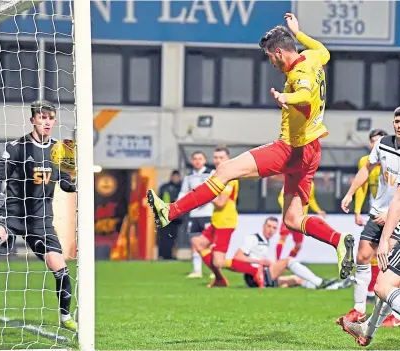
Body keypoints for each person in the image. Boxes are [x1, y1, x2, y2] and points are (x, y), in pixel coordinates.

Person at [147, 13, 355, 280]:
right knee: (292, 219)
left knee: (225, 170)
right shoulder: (313, 58)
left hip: (291, 149)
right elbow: (323, 50)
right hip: (312, 149)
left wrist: (285, 96)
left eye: (270, 56)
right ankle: (338, 240)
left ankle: (171, 211)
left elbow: (303, 93)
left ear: (279, 52)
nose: (270, 61)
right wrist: (298, 32)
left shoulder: (298, 73)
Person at [0, 100, 77, 332]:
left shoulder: (62, 150)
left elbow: (67, 183)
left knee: (60, 268)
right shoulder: (16, 146)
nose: (47, 122)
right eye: (42, 118)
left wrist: (73, 184)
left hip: (40, 221)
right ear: (33, 120)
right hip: (12, 214)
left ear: (55, 120)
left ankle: (65, 316)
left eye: (50, 118)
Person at [338, 126, 400, 345]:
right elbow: (367, 173)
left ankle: (380, 322)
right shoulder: (383, 147)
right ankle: (363, 321)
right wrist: (351, 197)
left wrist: (391, 220)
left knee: (384, 283)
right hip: (381, 214)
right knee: (369, 264)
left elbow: (398, 201)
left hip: (394, 220)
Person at [192, 146, 265, 288]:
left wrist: (204, 193)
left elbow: (221, 202)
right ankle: (219, 279)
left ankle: (254, 270)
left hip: (226, 222)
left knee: (218, 261)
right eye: (216, 158)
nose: (218, 160)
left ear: (228, 159)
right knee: (197, 243)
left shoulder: (230, 177)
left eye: (221, 158)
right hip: (217, 220)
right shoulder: (217, 175)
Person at [235, 216, 346, 289]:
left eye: (274, 228)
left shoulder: (268, 243)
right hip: (254, 276)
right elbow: (238, 257)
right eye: (269, 226)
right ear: (263, 226)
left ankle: (336, 287)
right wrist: (259, 261)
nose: (271, 230)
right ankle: (319, 282)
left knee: (297, 279)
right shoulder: (253, 238)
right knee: (288, 261)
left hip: (266, 276)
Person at [354, 129, 388, 305]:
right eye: (373, 141)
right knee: (369, 252)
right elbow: (362, 188)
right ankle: (371, 291)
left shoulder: (391, 158)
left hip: (392, 212)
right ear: (369, 144)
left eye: (380, 141)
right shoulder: (365, 162)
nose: (376, 144)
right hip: (375, 212)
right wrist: (357, 211)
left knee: (387, 253)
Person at [178, 151, 213, 278]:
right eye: (195, 159)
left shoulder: (210, 174)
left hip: (208, 212)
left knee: (209, 242)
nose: (198, 161)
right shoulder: (188, 177)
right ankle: (197, 270)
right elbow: (182, 193)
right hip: (194, 214)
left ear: (204, 160)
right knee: (194, 241)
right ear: (192, 161)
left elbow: (214, 191)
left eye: (200, 158)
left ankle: (213, 271)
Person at [276, 181, 326, 259]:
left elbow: (311, 199)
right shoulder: (291, 180)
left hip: (300, 219)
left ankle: (287, 262)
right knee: (282, 239)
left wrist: (318, 210)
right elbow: (281, 197)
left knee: (298, 245)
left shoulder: (311, 184)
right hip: (288, 217)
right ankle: (277, 261)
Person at [157, 170, 182, 259]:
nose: (176, 179)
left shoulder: (182, 187)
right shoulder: (165, 187)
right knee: (164, 236)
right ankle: (163, 254)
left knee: (174, 237)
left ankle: (172, 255)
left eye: (177, 177)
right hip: (165, 216)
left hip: (177, 218)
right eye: (174, 177)